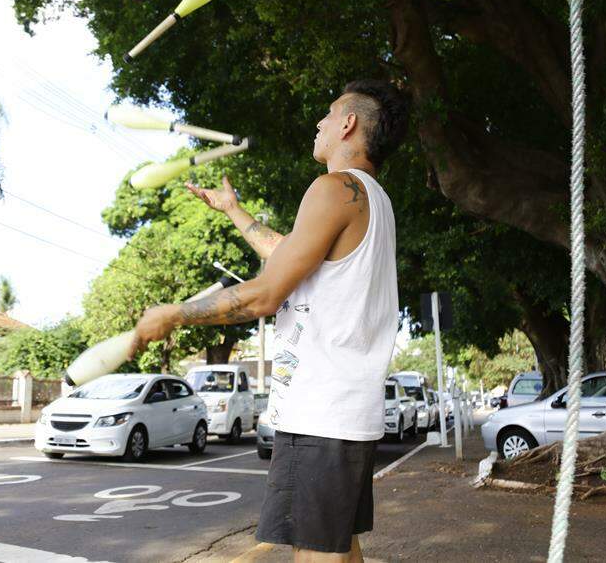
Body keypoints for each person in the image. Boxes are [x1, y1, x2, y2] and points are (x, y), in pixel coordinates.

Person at [133, 79, 410, 562]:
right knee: (340, 547)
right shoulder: (372, 199)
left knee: (316, 554)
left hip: (323, 414)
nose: (319, 124)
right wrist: (235, 212)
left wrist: (173, 314)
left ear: (348, 124)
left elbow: (264, 294)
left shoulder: (334, 188)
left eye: (328, 114)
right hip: (344, 412)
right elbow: (289, 255)